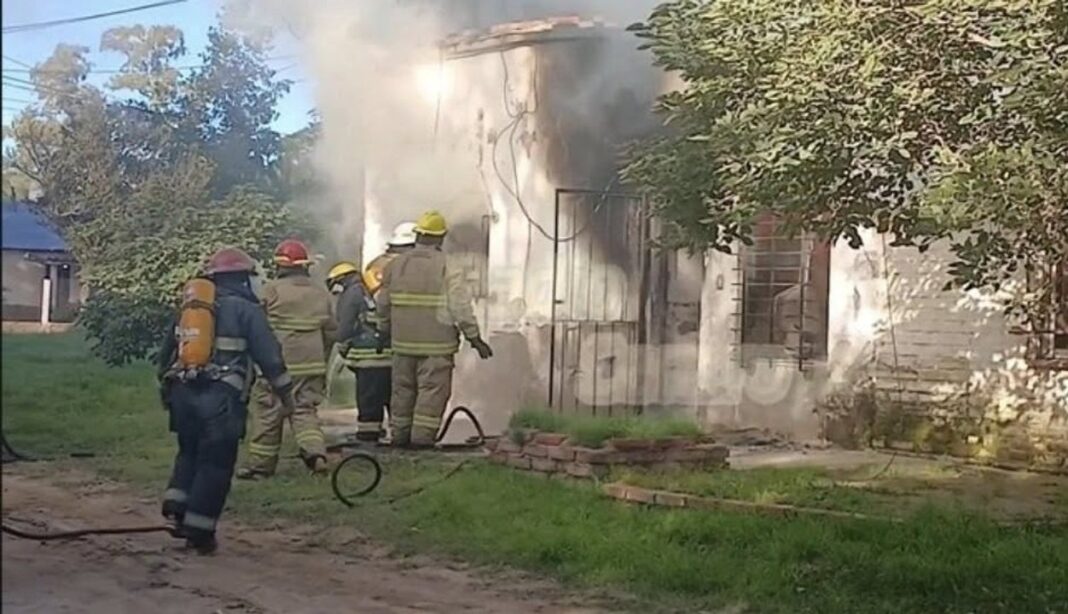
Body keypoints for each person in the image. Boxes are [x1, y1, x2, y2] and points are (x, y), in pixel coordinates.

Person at [158, 247, 296, 554]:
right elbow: (269, 356)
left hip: (182, 391)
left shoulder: (191, 306)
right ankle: (200, 532)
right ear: (243, 279)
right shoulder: (246, 309)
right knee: (216, 464)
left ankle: (177, 509)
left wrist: (165, 390)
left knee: (189, 452)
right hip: (219, 399)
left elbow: (166, 354)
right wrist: (286, 393)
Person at [377, 210, 493, 448]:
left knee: (402, 391)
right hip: (437, 346)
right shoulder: (449, 266)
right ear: (441, 238)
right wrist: (475, 338)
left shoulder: (395, 265)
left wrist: (383, 332)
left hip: (401, 344)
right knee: (431, 392)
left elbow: (383, 304)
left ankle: (399, 437)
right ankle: (421, 441)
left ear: (418, 235)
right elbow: (460, 306)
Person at [237, 239, 336, 480]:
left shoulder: (270, 291)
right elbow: (332, 331)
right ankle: (316, 455)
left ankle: (260, 467)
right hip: (311, 364)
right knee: (304, 411)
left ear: (280, 266)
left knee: (269, 412)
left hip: (276, 365)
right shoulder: (320, 293)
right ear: (305, 266)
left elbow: (257, 328)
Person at [328, 261, 391, 442]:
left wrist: (341, 344)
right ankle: (398, 433)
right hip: (385, 353)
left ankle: (368, 433)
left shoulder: (351, 294)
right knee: (387, 394)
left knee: (368, 396)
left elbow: (346, 324)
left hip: (367, 356)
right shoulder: (366, 291)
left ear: (341, 279)